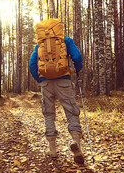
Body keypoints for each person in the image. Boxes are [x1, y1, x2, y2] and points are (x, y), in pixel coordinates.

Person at [29, 19, 84, 164]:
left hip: (46, 82)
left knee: (48, 113)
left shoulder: (39, 45)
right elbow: (77, 57)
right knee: (71, 111)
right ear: (58, 29)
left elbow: (32, 64)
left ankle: (53, 150)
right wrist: (76, 70)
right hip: (64, 80)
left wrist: (40, 79)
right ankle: (76, 143)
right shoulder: (66, 41)